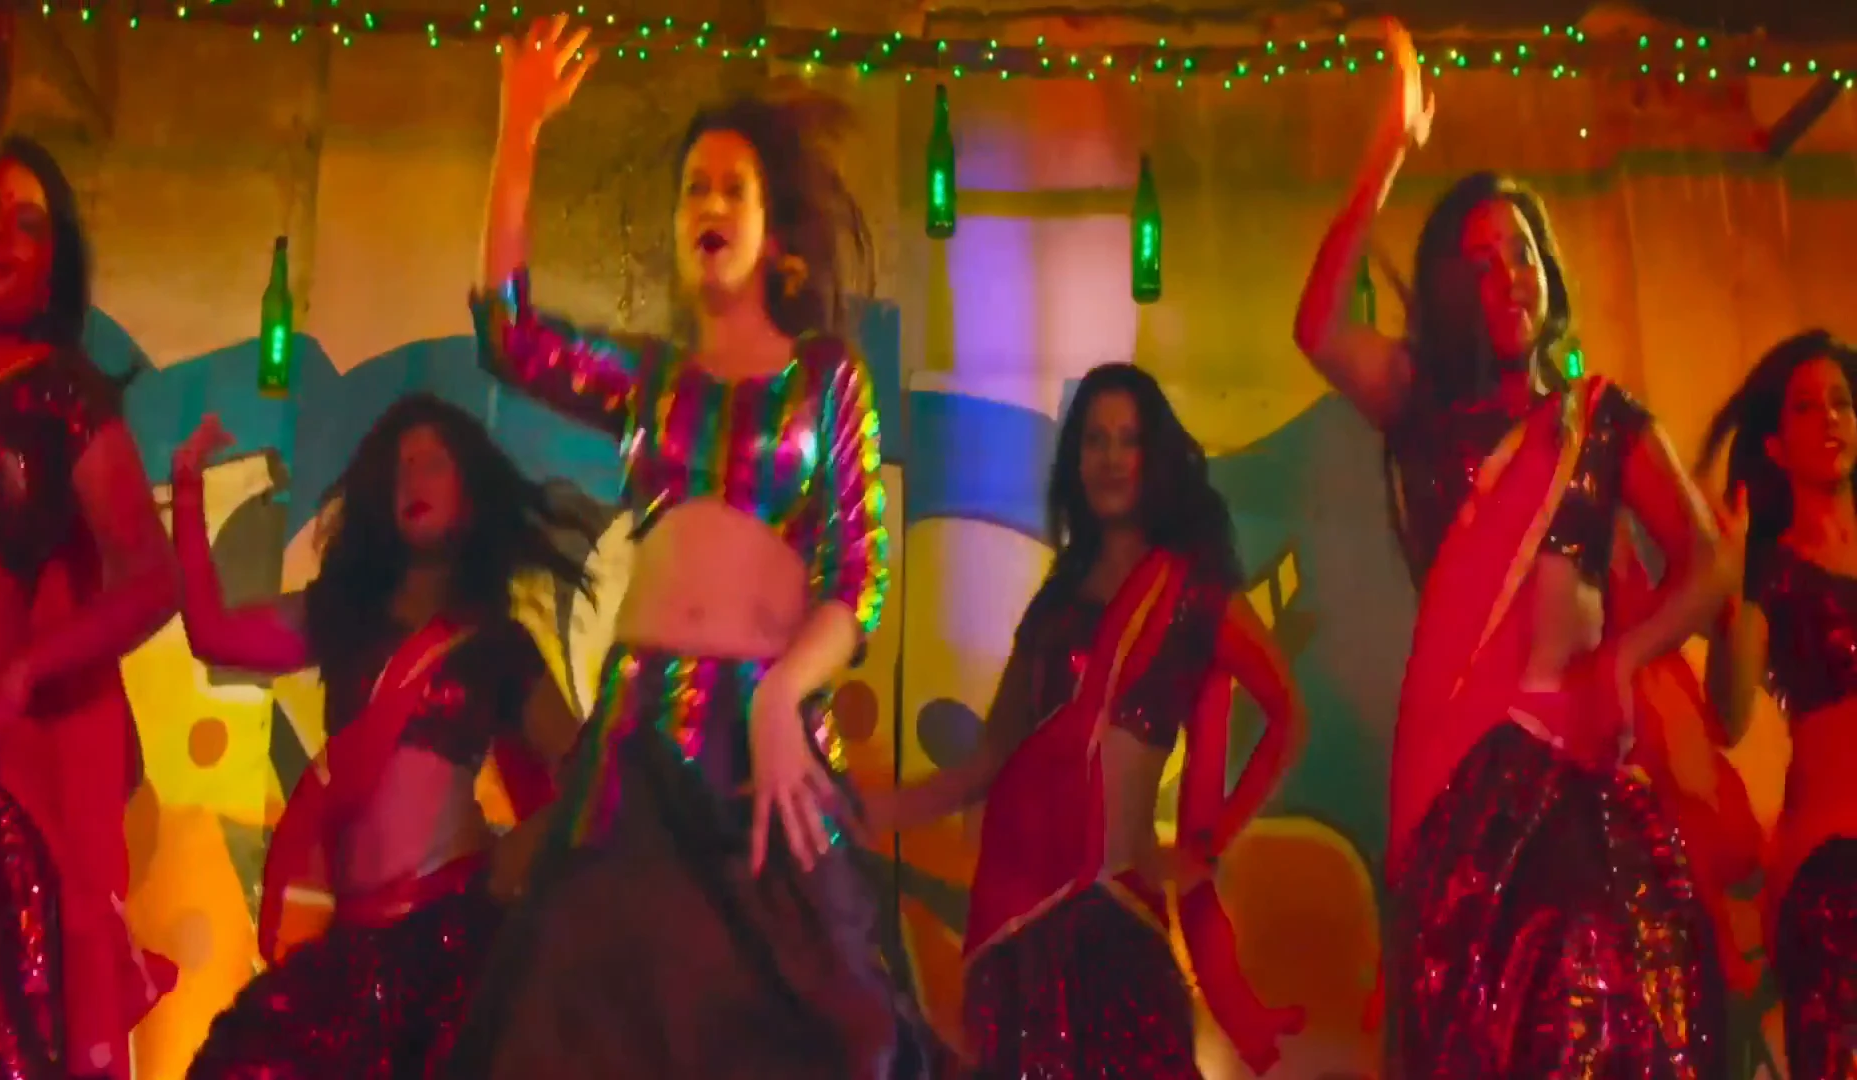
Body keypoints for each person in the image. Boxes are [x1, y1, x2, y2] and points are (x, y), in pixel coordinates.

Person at [440, 14, 925, 1079]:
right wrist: (520, 131)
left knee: (821, 1026)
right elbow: (511, 335)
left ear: (775, 236)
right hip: (637, 741)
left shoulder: (823, 380)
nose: (708, 203)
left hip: (762, 740)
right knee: (593, 1026)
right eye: (694, 188)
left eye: (732, 189)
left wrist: (782, 694)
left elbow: (858, 576)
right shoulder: (651, 382)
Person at [1290, 21, 1732, 1077]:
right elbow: (1318, 326)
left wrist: (1625, 658)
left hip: (1574, 767)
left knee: (1617, 1003)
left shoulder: (1601, 420)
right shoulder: (1424, 409)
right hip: (1460, 788)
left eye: (1522, 253)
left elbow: (1711, 561)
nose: (1510, 278)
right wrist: (1388, 150)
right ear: (1454, 292)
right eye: (1481, 264)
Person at [867, 362, 1307, 1077]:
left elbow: (1287, 718)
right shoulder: (1056, 598)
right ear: (1074, 460)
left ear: (1155, 457)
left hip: (1113, 912)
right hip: (1017, 920)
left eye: (1128, 440)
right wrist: (873, 810)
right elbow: (988, 761)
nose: (1110, 458)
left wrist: (1208, 846)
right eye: (1095, 440)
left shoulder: (1193, 594)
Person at [174, 393, 599, 1078]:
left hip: (449, 937)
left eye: (434, 463)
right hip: (350, 944)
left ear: (472, 493)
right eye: (400, 467)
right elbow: (213, 633)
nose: (413, 480)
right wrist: (188, 489)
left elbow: (589, 772)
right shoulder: (339, 616)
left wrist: (512, 859)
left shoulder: (496, 646)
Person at [0, 135, 180, 1079]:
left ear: (52, 273)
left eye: (28, 223)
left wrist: (19, 675)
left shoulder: (59, 394)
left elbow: (150, 578)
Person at [1701, 329, 1857, 1080]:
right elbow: (1729, 715)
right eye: (1806, 407)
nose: (1830, 417)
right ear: (1774, 446)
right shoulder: (1775, 573)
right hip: (1836, 875)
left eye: (1842, 402)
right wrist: (1728, 591)